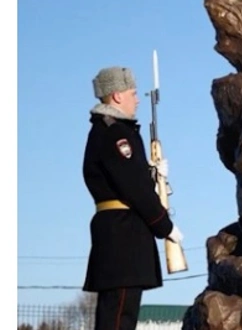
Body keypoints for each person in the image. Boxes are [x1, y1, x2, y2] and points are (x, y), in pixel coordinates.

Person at [82, 66, 183, 330]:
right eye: (133, 93)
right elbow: (134, 187)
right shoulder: (115, 133)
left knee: (120, 314)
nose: (137, 100)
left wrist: (151, 173)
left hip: (120, 232)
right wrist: (165, 225)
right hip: (123, 235)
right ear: (117, 96)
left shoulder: (111, 131)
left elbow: (126, 179)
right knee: (118, 317)